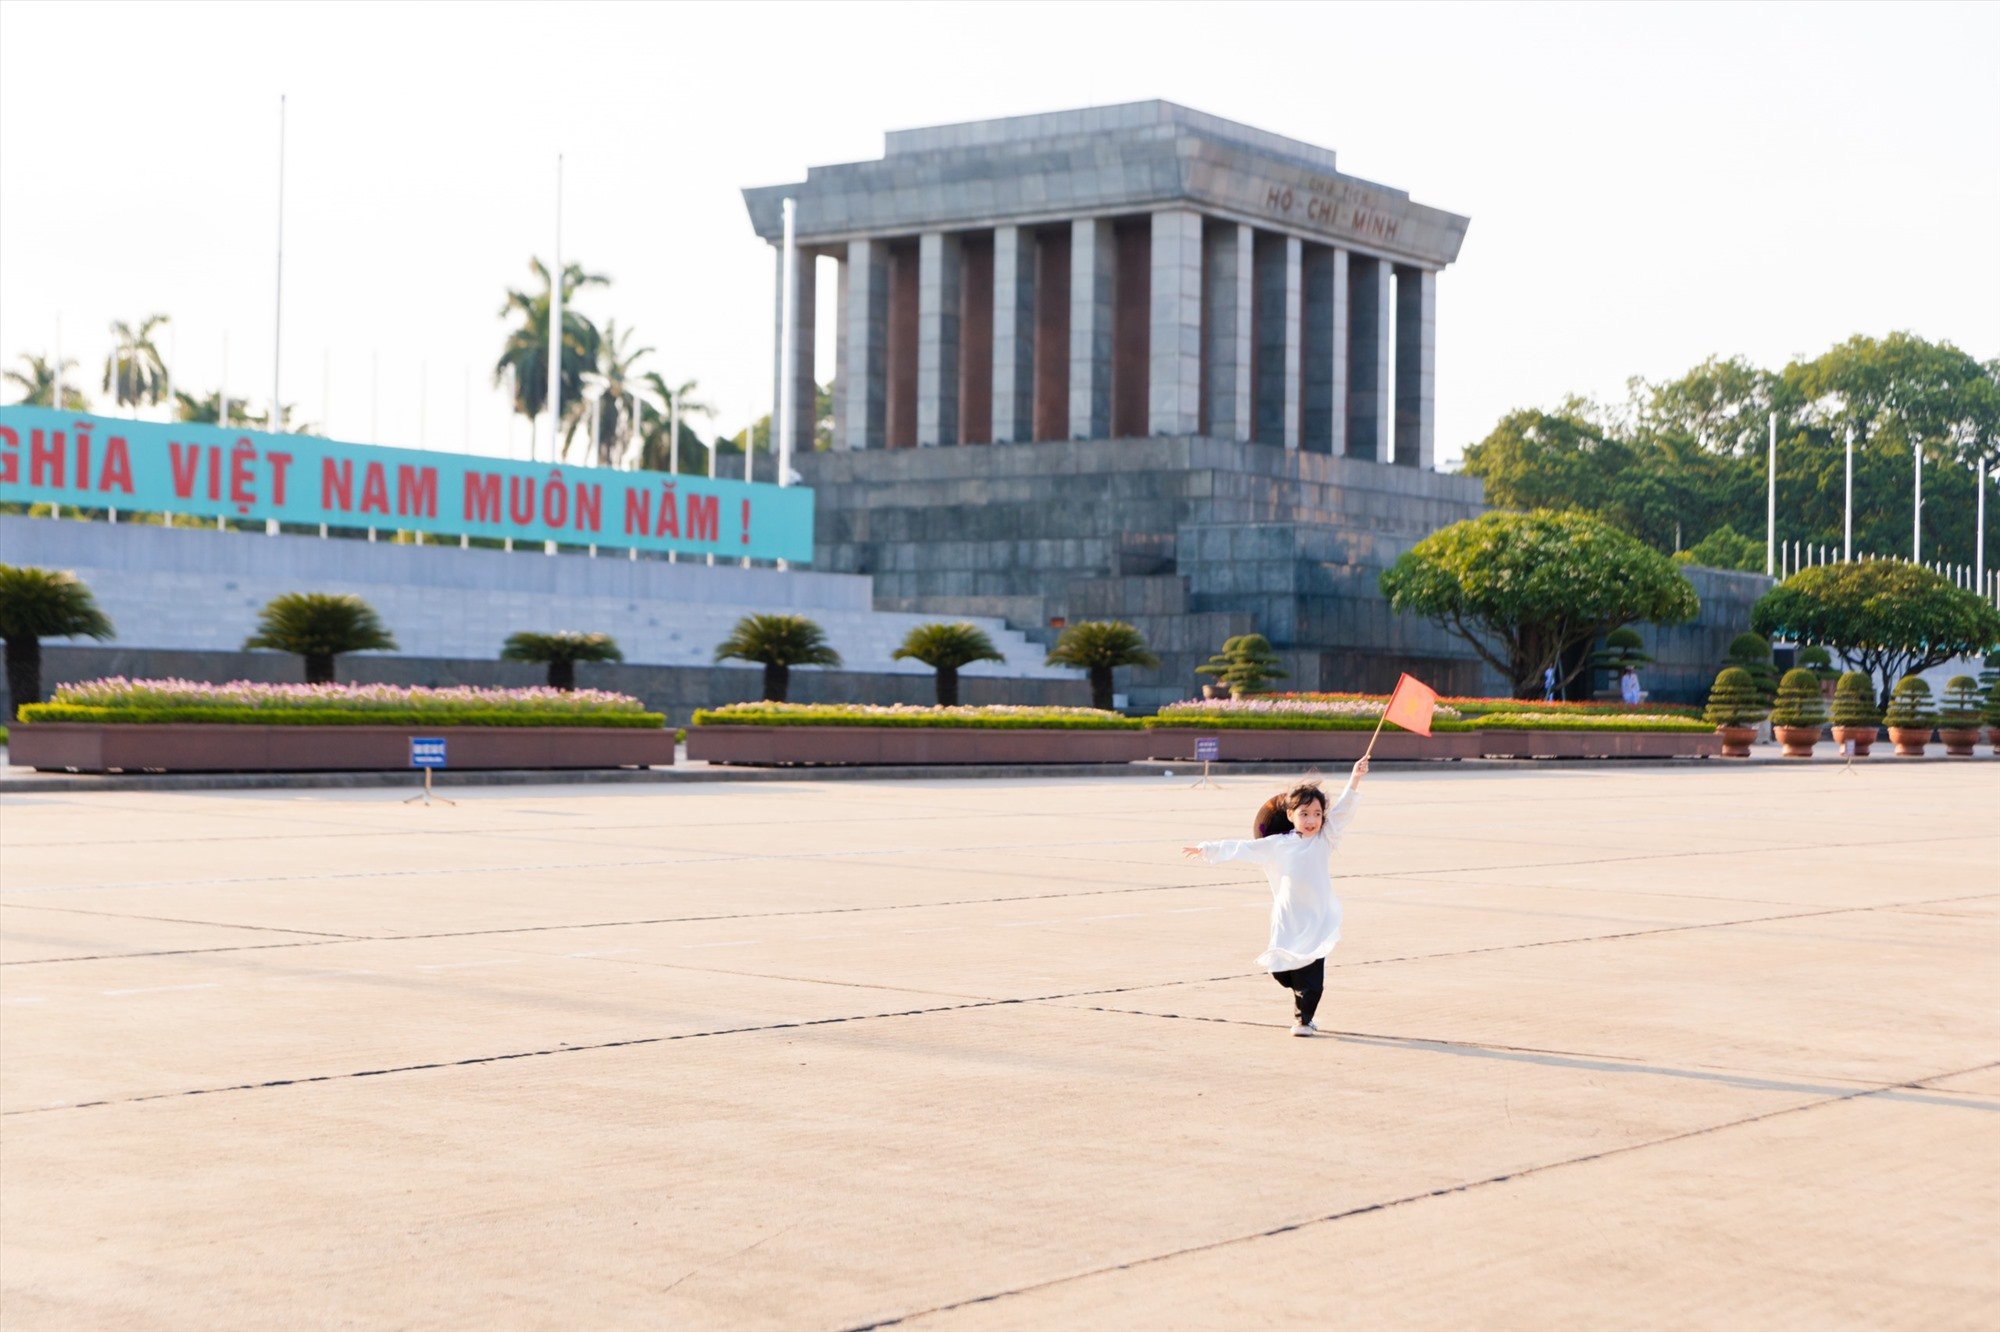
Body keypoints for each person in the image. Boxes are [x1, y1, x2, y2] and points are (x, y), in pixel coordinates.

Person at [1181, 757, 1369, 1037]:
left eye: (1317, 814)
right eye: (1304, 813)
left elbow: (1343, 810)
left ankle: (1304, 1021)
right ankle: (1300, 1003)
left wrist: (1355, 777)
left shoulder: (1324, 839)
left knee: (1313, 975)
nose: (1311, 820)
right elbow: (1241, 848)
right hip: (1288, 918)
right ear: (1291, 814)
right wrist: (1207, 848)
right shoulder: (1278, 845)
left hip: (1317, 918)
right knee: (1283, 971)